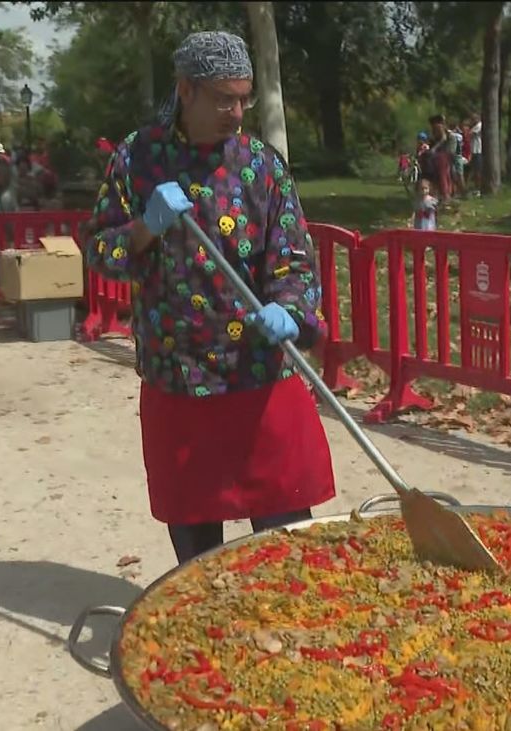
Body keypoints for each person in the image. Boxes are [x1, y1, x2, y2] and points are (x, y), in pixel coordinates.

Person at [84, 30, 335, 565]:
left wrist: (291, 310)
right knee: (199, 561)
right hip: (180, 380)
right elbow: (100, 251)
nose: (237, 111)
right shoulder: (137, 158)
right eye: (224, 98)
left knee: (286, 546)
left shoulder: (261, 164)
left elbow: (292, 254)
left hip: (260, 376)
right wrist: (145, 228)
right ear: (187, 91)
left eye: (244, 97)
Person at [426, 114, 455, 203]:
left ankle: (445, 195)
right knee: (441, 175)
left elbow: (443, 138)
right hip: (440, 156)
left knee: (443, 175)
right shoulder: (435, 130)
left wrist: (434, 149)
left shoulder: (440, 128)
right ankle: (440, 194)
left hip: (443, 155)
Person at [469, 113, 484, 192]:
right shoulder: (474, 126)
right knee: (475, 170)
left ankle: (479, 188)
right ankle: (476, 187)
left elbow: (471, 134)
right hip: (473, 150)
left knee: (478, 170)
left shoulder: (479, 125)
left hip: (478, 150)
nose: (472, 120)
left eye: (473, 119)